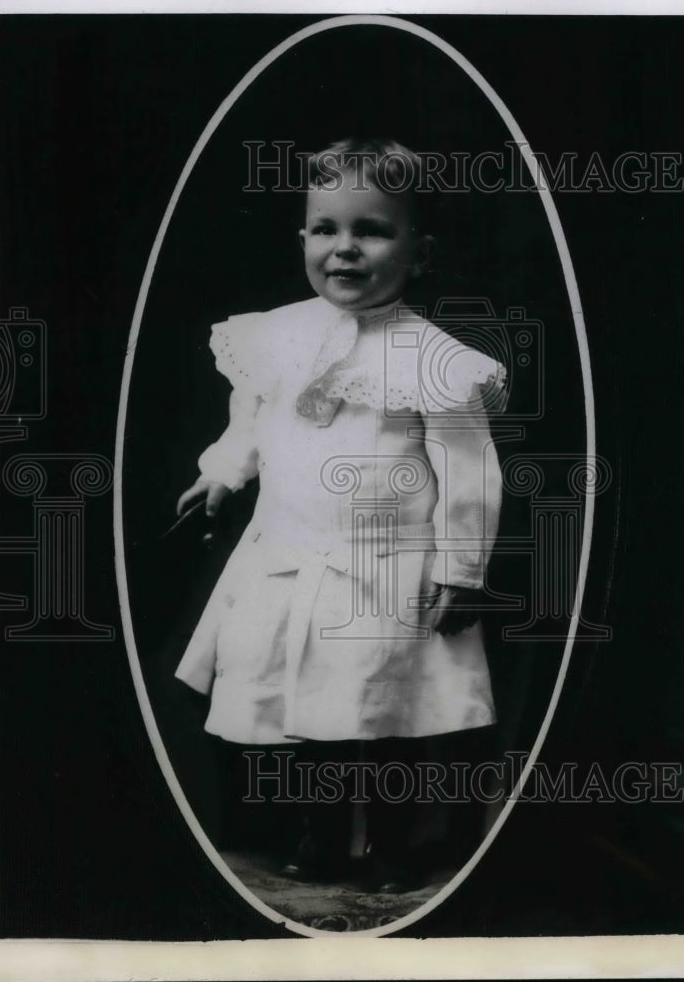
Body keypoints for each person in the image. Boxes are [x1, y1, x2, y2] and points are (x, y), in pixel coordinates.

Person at [174, 137, 506, 892]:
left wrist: (460, 568)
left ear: (418, 253)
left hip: (388, 570)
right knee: (310, 714)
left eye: (372, 231)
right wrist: (223, 474)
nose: (345, 249)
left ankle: (391, 846)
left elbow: (468, 469)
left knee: (387, 712)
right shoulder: (276, 336)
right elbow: (251, 422)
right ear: (303, 239)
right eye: (326, 230)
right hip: (290, 556)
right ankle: (323, 842)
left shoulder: (434, 359)